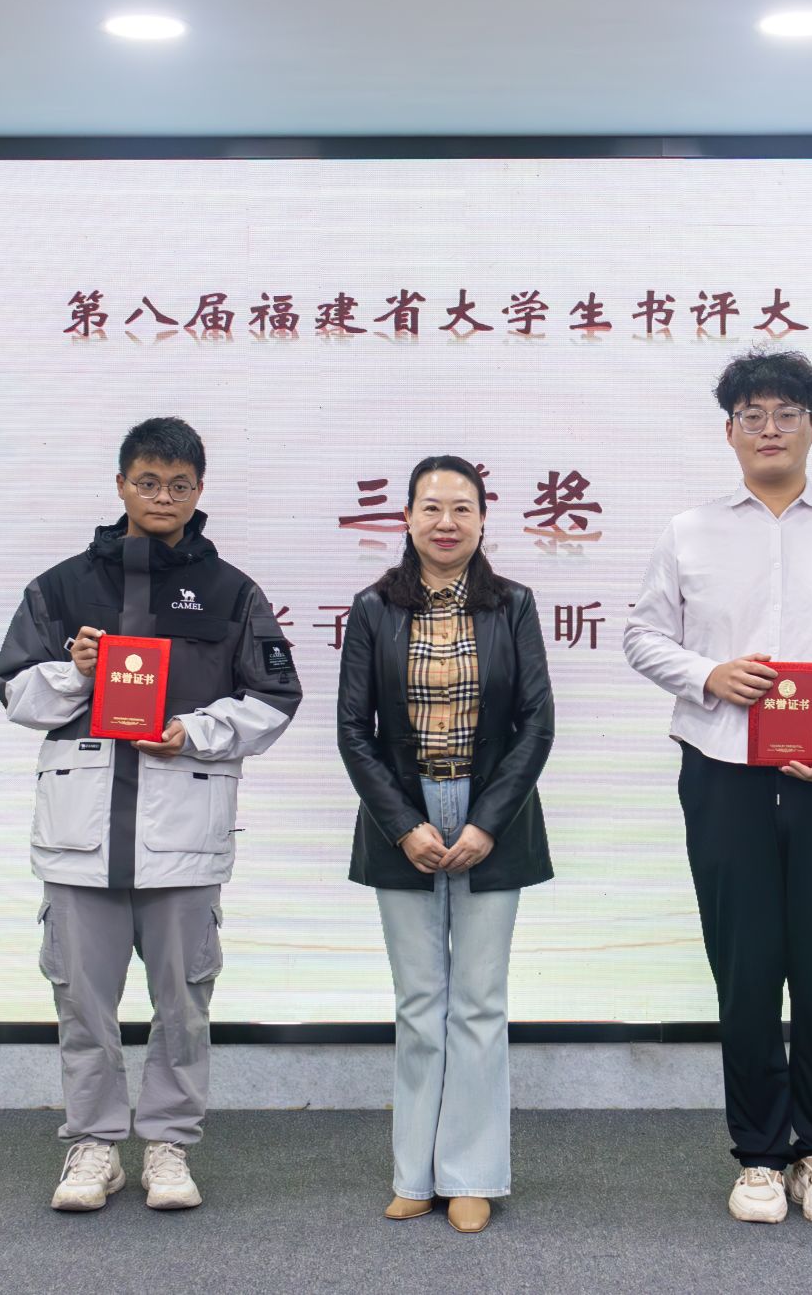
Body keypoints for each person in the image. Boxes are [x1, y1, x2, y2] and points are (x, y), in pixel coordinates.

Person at [624, 349, 812, 1226]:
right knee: (745, 965)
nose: (769, 429)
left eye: (787, 413)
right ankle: (758, 1152)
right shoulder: (688, 532)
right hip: (724, 773)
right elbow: (642, 636)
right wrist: (707, 675)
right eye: (751, 415)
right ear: (729, 432)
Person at [0, 416, 302, 1214]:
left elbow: (274, 699)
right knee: (80, 1003)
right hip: (80, 836)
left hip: (183, 836)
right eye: (149, 482)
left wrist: (194, 731)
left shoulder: (232, 592)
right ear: (121, 483)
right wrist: (74, 670)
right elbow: (16, 693)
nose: (163, 497)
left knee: (183, 1004)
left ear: (199, 490)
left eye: (179, 485)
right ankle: (94, 1145)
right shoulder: (61, 587)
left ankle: (168, 1143)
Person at [337, 455, 556, 1234]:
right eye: (430, 507)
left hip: (493, 813)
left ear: (483, 519)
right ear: (406, 518)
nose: (446, 522)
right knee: (420, 1002)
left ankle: (471, 1173)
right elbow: (353, 730)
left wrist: (486, 821)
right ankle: (414, 1173)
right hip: (403, 814)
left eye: (462, 507)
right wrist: (404, 824)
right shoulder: (373, 608)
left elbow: (537, 722)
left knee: (480, 1000)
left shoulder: (513, 605)